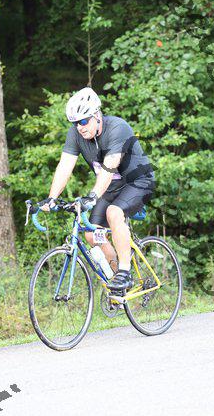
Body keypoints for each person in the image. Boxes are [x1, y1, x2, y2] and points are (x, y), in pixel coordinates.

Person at [39, 87, 155, 296]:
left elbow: (109, 167)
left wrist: (92, 196)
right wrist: (51, 198)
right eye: (75, 123)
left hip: (138, 182)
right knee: (92, 234)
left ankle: (124, 271)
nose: (79, 127)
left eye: (84, 121)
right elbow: (65, 166)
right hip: (112, 187)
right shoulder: (76, 134)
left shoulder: (117, 128)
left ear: (97, 115)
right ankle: (117, 281)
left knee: (114, 213)